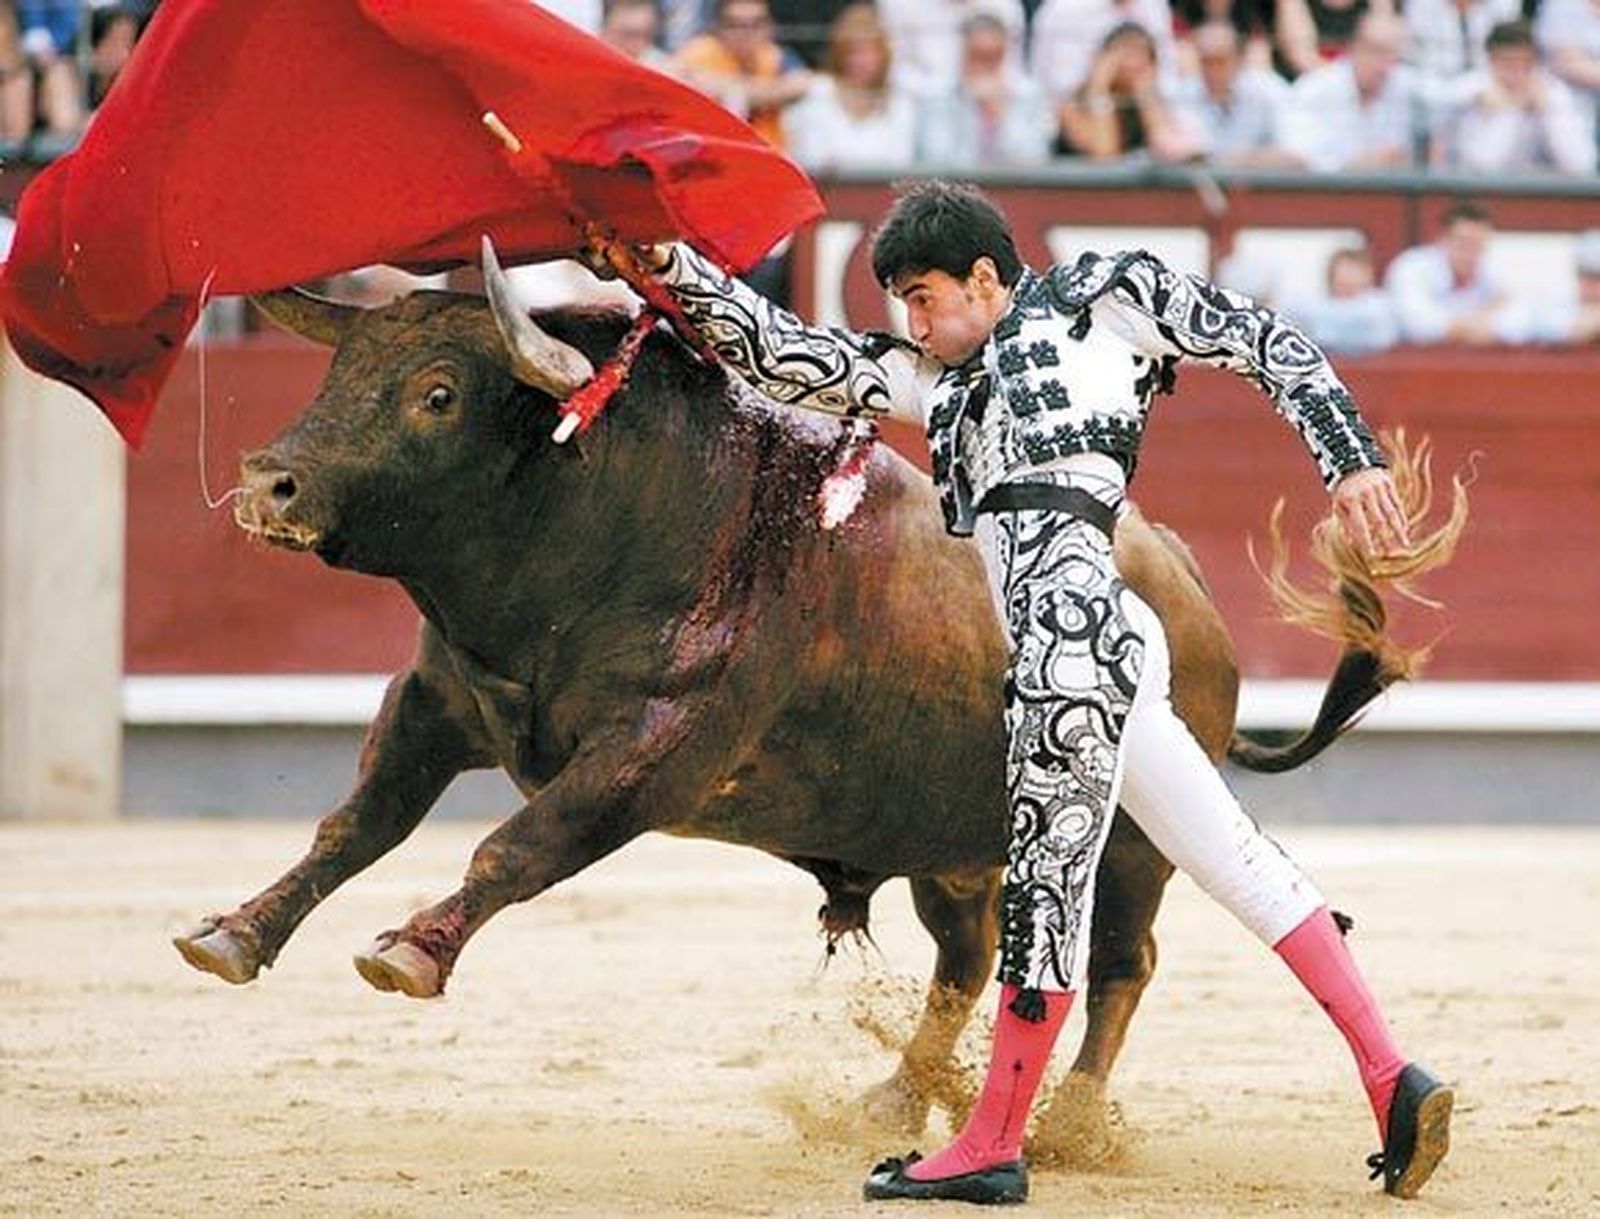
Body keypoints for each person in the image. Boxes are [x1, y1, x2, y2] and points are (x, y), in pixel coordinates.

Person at [612, 179, 1452, 1204]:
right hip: (1113, 638)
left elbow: (1264, 339)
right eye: (902, 307)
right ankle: (1389, 1073)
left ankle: (991, 1141)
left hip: (1069, 639)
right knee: (1232, 857)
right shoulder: (937, 380)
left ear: (983, 275)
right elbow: (778, 351)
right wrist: (670, 268)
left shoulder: (1105, 295)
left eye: (924, 297)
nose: (913, 324)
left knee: (1050, 882)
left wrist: (1350, 462)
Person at [1430, 19, 1597, 175]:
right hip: (1468, 194)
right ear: (1490, 59)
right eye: (1508, 61)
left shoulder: (1551, 91)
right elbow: (1483, 166)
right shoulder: (1468, 89)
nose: (1517, 70)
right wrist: (1511, 107)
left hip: (1530, 195)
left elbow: (1581, 165)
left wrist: (1549, 112)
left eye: (1525, 62)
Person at [1274, 11, 1421, 171]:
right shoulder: (1315, 88)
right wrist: (1358, 165)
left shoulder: (1408, 85)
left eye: (1395, 54)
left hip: (1389, 193)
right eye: (1377, 50)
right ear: (1353, 46)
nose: (1386, 64)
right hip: (1325, 193)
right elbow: (1296, 160)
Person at [1385, 198, 1540, 344]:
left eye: (1478, 244)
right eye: (1463, 243)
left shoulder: (1494, 266)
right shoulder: (1412, 266)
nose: (1470, 253)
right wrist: (1483, 319)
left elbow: (1526, 319)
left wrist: (1468, 326)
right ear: (1443, 240)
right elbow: (1417, 323)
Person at [785, 3, 918, 171]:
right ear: (840, 54)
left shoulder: (900, 102)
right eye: (853, 52)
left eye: (869, 52)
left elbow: (902, 162)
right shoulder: (818, 91)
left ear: (884, 54)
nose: (861, 61)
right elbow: (809, 157)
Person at [670, 0, 812, 153]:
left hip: (767, 155)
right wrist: (768, 91)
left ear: (769, 28)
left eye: (755, 24)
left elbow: (801, 85)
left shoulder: (774, 55)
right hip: (709, 153)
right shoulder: (700, 51)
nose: (745, 34)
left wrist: (728, 89)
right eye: (734, 24)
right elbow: (674, 82)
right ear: (718, 28)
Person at [1055, 20, 1206, 160]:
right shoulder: (1071, 105)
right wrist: (1099, 89)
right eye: (1125, 52)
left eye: (1142, 53)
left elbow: (1166, 146)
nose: (1134, 63)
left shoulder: (1151, 101)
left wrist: (1146, 96)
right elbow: (1105, 154)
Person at [917, 11, 1054, 166]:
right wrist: (971, 102)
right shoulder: (936, 95)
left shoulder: (1030, 95)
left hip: (1011, 188)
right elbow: (935, 158)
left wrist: (1000, 116)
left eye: (994, 56)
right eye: (978, 56)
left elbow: (1035, 158)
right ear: (963, 53)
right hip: (957, 188)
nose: (985, 66)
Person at [1170, 19, 1295, 164]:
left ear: (1239, 59)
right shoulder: (1182, 93)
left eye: (1220, 61)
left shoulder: (1269, 89)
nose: (1213, 70)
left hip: (1261, 184)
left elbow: (1294, 155)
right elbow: (1179, 152)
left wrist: (1228, 162)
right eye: (1206, 61)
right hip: (1202, 184)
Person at [1284, 244, 1401, 354]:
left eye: (1354, 270)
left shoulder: (1379, 305)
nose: (1348, 276)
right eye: (1344, 269)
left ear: (1368, 274)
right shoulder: (1308, 303)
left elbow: (1383, 339)